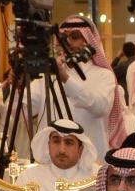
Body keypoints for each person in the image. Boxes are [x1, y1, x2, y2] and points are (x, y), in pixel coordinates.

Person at [29, 15, 124, 159]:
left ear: (89, 41)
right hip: (51, 162)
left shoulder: (104, 75)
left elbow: (101, 107)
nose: (68, 42)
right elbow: (26, 108)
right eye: (64, 37)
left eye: (74, 36)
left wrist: (66, 79)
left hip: (89, 161)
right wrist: (19, 84)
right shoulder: (49, 74)